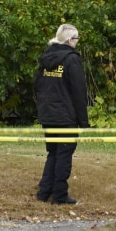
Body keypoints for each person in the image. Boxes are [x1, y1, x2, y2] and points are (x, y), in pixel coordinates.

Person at [34, 24, 89, 205]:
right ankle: (59, 196)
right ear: (70, 40)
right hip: (65, 116)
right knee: (64, 154)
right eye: (77, 39)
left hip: (48, 115)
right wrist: (84, 123)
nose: (77, 43)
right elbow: (79, 92)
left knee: (53, 153)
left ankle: (44, 193)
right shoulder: (71, 60)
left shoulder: (46, 57)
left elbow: (37, 85)